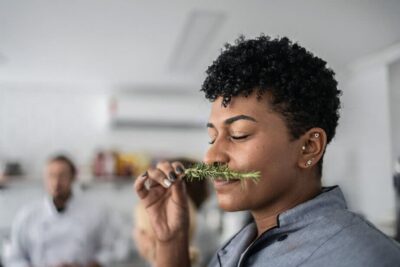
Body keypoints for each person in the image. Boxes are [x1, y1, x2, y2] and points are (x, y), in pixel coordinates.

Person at [134, 35, 400, 267]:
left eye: (239, 135)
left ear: (308, 147)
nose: (211, 157)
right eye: (212, 138)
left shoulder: (366, 259)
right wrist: (171, 243)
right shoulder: (241, 244)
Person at [5, 155, 124, 267]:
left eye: (62, 175)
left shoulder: (95, 212)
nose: (56, 182)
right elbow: (13, 257)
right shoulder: (27, 214)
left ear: (73, 177)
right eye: (51, 175)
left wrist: (93, 264)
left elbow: (113, 249)